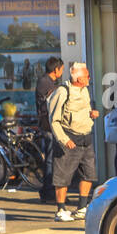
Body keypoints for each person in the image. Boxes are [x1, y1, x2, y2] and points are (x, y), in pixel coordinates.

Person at [47, 62, 99, 221]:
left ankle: (82, 207)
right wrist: (64, 139)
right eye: (87, 76)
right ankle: (61, 210)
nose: (89, 78)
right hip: (69, 137)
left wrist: (91, 114)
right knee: (63, 175)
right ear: (78, 78)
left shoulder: (85, 90)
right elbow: (54, 120)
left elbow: (80, 111)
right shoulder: (63, 91)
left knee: (88, 173)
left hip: (86, 137)